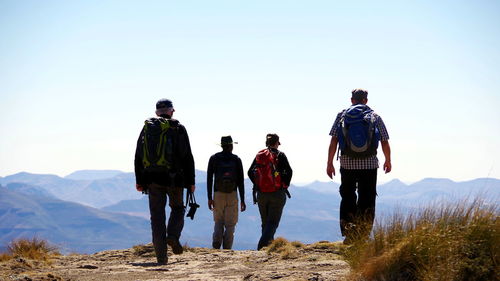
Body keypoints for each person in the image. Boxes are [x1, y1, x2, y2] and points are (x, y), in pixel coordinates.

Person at [134, 98, 196, 265]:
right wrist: (191, 181)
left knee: (157, 217)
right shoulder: (178, 128)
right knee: (177, 208)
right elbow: (187, 156)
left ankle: (161, 257)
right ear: (172, 111)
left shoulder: (147, 129)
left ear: (156, 112)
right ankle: (173, 236)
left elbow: (138, 155)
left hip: (152, 180)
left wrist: (139, 180)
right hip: (175, 179)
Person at [326, 89, 391, 244]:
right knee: (367, 199)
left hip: (347, 163)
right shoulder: (374, 116)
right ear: (366, 100)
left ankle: (349, 233)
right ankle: (363, 234)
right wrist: (388, 160)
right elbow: (384, 140)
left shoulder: (342, 116)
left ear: (351, 100)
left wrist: (329, 163)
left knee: (348, 197)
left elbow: (334, 140)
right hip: (369, 164)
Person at [248, 134, 293, 250]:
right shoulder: (280, 155)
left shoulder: (260, 155)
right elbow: (289, 171)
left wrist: (258, 184)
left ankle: (268, 248)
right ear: (276, 142)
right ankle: (262, 246)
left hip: (261, 194)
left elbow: (249, 172)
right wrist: (284, 185)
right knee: (272, 223)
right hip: (277, 193)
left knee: (265, 222)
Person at [206, 136, 246, 249]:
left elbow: (209, 179)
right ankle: (227, 248)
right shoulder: (236, 159)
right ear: (231, 146)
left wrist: (209, 197)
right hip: (232, 193)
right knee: (230, 223)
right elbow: (240, 181)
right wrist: (242, 200)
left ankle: (216, 244)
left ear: (222, 145)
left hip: (218, 193)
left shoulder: (214, 158)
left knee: (218, 220)